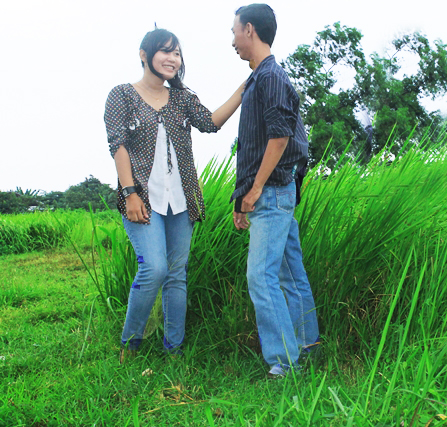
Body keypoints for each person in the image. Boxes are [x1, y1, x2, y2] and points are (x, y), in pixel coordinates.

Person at [104, 28, 244, 361]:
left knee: (176, 275)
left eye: (177, 53)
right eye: (165, 51)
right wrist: (130, 192)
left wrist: (243, 89)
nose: (172, 58)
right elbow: (118, 145)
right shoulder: (122, 95)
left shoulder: (181, 99)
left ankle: (174, 349)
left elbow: (211, 122)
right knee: (154, 268)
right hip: (141, 198)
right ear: (144, 54)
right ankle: (130, 344)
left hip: (182, 201)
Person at [230, 4, 320, 376]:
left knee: (261, 277)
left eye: (234, 31)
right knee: (289, 273)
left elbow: (280, 138)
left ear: (249, 30)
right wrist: (241, 198)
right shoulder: (259, 78)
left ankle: (284, 363)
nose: (232, 40)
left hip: (272, 192)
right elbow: (254, 146)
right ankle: (307, 347)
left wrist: (254, 191)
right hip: (273, 192)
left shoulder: (271, 78)